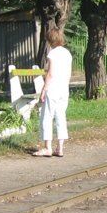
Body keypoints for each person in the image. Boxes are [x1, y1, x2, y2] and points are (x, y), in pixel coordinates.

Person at [34, 28, 73, 157]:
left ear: (50, 40)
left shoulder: (52, 54)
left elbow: (50, 74)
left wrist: (44, 89)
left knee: (47, 116)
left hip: (53, 88)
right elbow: (68, 74)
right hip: (64, 88)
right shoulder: (67, 53)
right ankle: (60, 148)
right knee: (61, 117)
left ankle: (47, 148)